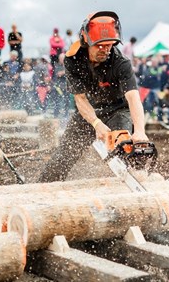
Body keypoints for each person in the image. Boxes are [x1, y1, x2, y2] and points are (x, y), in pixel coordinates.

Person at [38, 11, 149, 182]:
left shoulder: (121, 63)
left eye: (109, 45)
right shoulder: (73, 59)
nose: (105, 50)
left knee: (123, 147)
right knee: (63, 156)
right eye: (100, 46)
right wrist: (97, 124)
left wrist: (140, 131)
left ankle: (138, 181)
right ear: (86, 41)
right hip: (88, 111)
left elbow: (133, 98)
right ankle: (43, 187)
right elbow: (80, 99)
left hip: (118, 110)